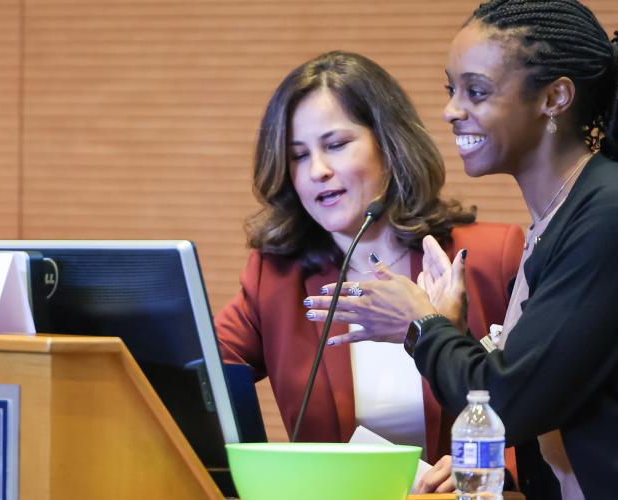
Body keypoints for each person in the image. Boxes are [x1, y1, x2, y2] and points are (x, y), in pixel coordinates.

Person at [304, 2, 618, 499]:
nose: (451, 110)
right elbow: (539, 395)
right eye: (452, 90)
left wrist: (422, 326)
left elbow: (508, 404)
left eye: (477, 91)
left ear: (555, 97)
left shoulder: (616, 216)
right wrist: (446, 329)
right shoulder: (562, 219)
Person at [213, 50, 523, 482]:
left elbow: (548, 404)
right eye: (298, 155)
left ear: (389, 145)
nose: (317, 170)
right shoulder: (276, 279)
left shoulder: (490, 256)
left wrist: (489, 464)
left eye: (336, 145)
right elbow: (200, 375)